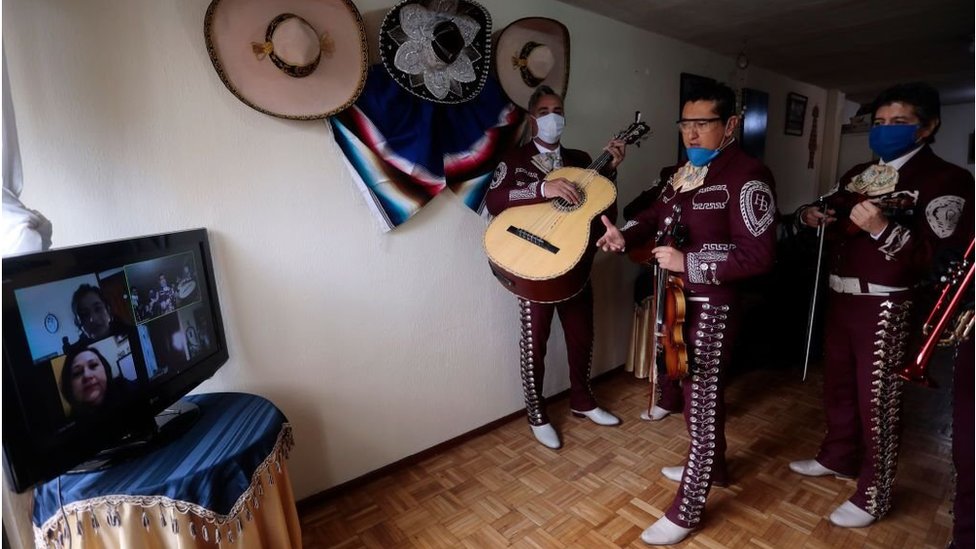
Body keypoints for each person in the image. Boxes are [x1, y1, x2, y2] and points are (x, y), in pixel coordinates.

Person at [596, 81, 777, 545]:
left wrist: (689, 262)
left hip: (714, 304)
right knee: (689, 391)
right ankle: (712, 465)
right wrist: (624, 234)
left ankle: (689, 507)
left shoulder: (747, 175)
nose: (691, 134)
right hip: (677, 301)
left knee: (702, 398)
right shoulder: (683, 172)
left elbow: (758, 257)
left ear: (730, 125)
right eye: (686, 124)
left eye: (703, 124)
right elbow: (656, 215)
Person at [789, 82, 973, 528]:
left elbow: (942, 259)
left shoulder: (947, 180)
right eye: (879, 123)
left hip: (888, 304)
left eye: (899, 123)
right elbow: (825, 207)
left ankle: (875, 491)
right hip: (840, 294)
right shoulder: (859, 172)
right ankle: (838, 456)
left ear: (927, 127)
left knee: (879, 400)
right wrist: (810, 215)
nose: (885, 131)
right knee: (837, 386)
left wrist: (882, 228)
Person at [485, 85, 628, 450]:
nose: (553, 116)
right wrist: (543, 190)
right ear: (533, 118)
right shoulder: (515, 159)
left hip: (574, 264)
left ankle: (583, 401)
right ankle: (537, 413)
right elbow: (496, 199)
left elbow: (603, 211)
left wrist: (611, 172)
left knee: (582, 336)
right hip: (532, 268)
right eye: (545, 110)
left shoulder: (581, 158)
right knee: (536, 343)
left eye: (558, 109)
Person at [59, 346, 115, 416]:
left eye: (93, 365)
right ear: (69, 386)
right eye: (77, 373)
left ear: (105, 369)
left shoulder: (125, 387)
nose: (87, 375)